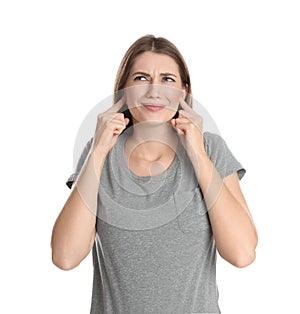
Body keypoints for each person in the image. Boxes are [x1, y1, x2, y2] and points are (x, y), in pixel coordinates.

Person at [51, 34, 258, 314]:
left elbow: (243, 253)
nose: (154, 90)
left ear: (184, 92)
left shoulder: (211, 148)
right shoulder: (99, 153)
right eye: (140, 78)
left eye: (167, 80)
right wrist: (98, 150)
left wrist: (196, 153)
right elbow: (65, 256)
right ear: (124, 90)